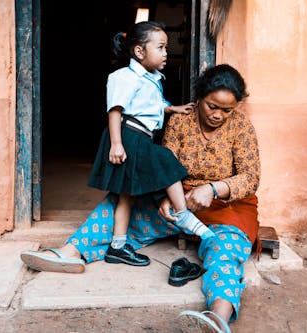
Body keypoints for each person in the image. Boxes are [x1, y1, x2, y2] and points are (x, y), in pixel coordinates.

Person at [21, 63, 260, 333]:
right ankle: (70, 253)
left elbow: (250, 177)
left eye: (227, 110)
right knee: (119, 203)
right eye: (211, 106)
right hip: (181, 203)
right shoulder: (181, 120)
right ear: (200, 97)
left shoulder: (241, 127)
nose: (218, 115)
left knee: (223, 252)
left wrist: (213, 189)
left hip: (226, 209)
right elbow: (163, 165)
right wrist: (164, 198)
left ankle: (217, 317)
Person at [87, 21, 214, 267]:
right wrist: (116, 144)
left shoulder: (152, 77)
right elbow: (115, 111)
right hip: (128, 135)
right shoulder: (123, 77)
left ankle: (117, 247)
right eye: (161, 47)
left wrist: (172, 108)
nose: (166, 53)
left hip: (139, 136)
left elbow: (150, 105)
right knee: (166, 161)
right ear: (139, 52)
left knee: (126, 196)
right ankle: (182, 214)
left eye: (166, 48)